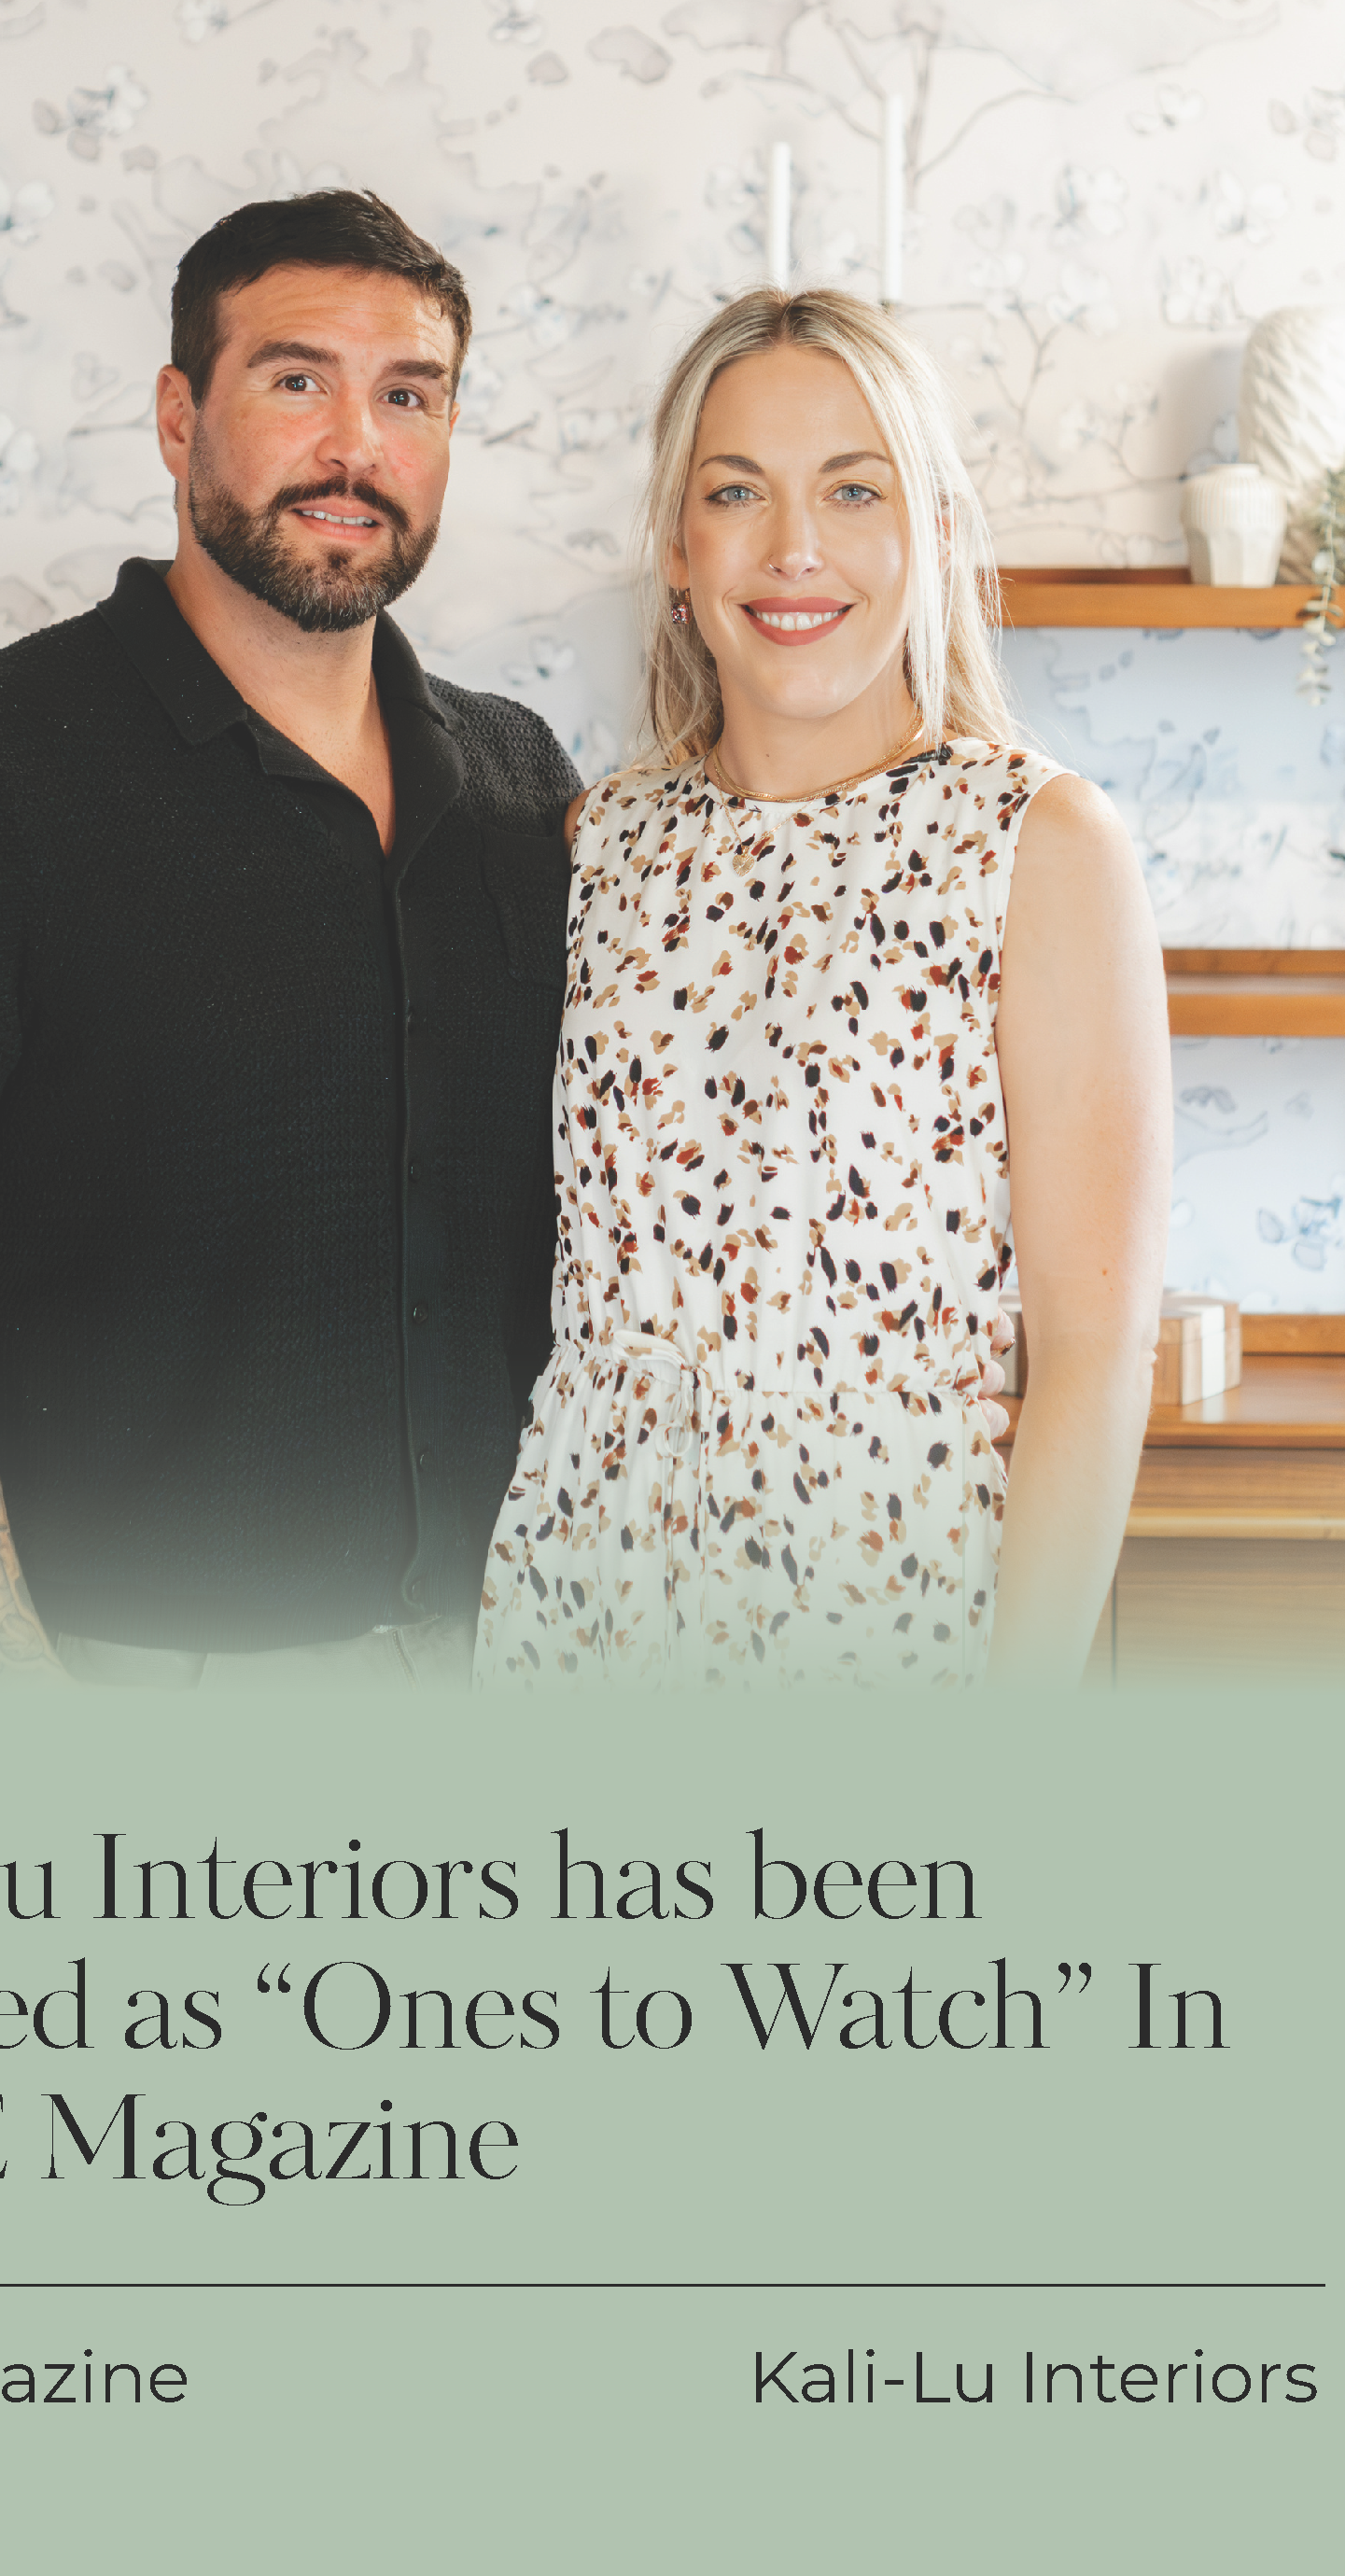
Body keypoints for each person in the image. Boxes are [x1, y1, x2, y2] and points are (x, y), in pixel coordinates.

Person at [0, 190, 582, 1686]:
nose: (355, 446)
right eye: (294, 380)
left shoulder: (524, 781)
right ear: (174, 414)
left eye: (408, 395)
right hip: (134, 1677)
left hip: (510, 1664)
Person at [473, 289, 1170, 1689]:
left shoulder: (1035, 846)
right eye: (737, 492)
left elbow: (1093, 1368)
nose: (794, 550)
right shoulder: (597, 841)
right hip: (579, 1599)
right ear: (678, 548)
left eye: (856, 489)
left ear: (937, 534)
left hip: (884, 1613)